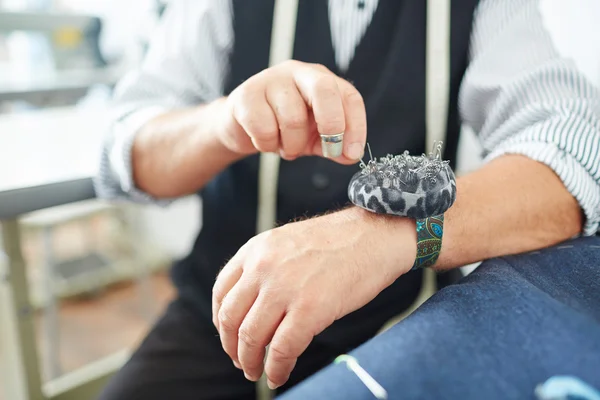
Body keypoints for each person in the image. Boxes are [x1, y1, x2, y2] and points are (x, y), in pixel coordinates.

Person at [94, 0, 600, 399]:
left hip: (403, 315)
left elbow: (576, 152)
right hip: (218, 318)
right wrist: (223, 123)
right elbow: (122, 155)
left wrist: (385, 238)